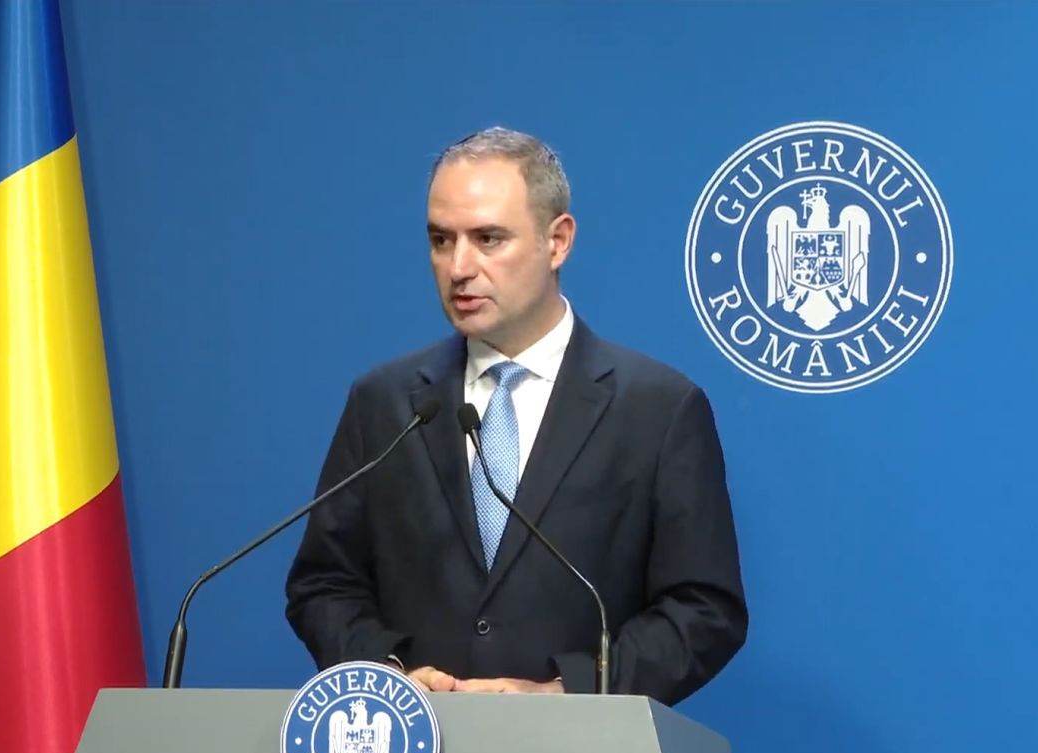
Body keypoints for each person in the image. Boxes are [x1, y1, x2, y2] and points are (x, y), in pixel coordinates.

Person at [285, 127, 746, 705]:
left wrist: (571, 690)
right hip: (414, 742)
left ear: (558, 241)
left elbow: (703, 608)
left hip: (578, 752)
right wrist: (389, 674)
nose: (459, 267)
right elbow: (324, 584)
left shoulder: (657, 408)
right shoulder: (385, 402)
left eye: (488, 239)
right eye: (441, 240)